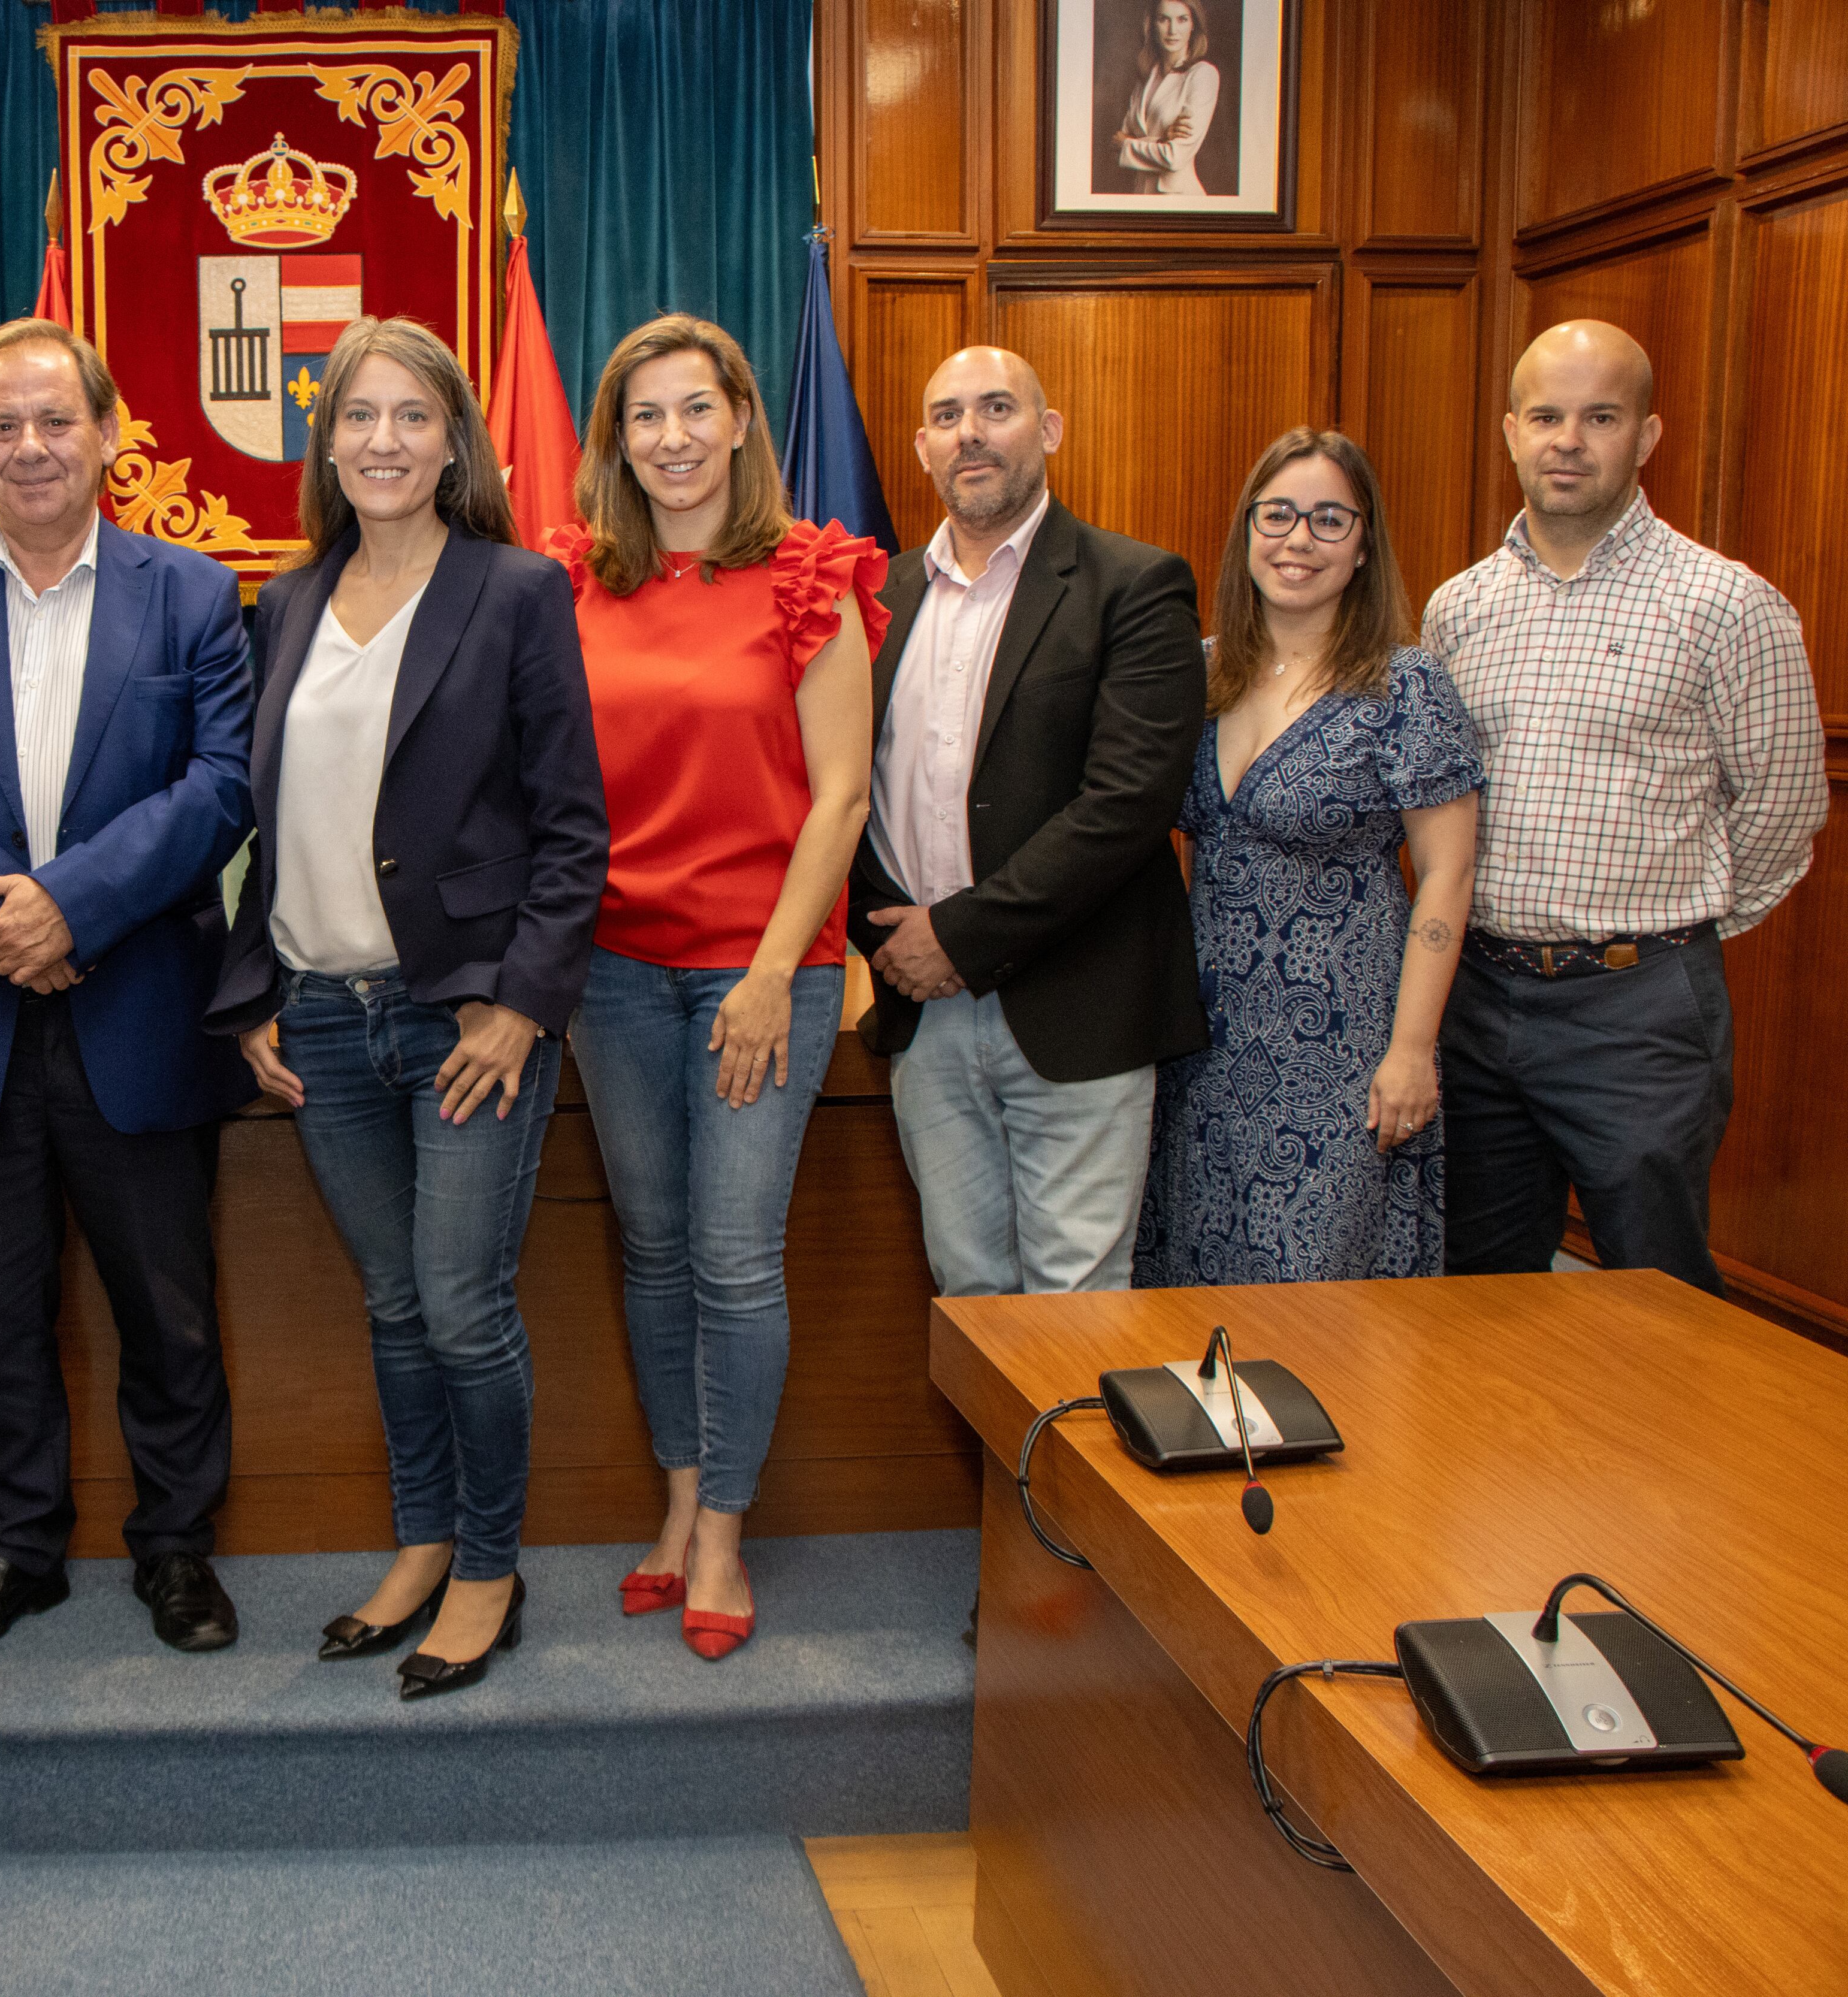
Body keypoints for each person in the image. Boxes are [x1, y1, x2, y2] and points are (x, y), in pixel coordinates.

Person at [0, 320, 255, 1658]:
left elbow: (221, 786)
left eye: (55, 421)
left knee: (168, 1308)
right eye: (3, 425)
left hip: (135, 1000)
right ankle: (17, 1549)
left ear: (109, 433)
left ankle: (176, 1547)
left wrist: (69, 904)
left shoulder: (190, 593)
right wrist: (1, 922)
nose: (30, 446)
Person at [209, 316, 605, 1699]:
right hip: (321, 1012)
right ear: (327, 441)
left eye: (411, 417)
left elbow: (572, 830)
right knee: (392, 1305)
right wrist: (252, 987)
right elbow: (260, 819)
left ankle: (490, 1563)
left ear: (454, 440)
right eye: (358, 417)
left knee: (460, 1302)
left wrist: (520, 1006)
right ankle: (423, 1537)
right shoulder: (289, 603)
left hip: (461, 1018)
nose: (383, 441)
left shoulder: (514, 593)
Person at [547, 316, 885, 1660]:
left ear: (743, 419)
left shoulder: (810, 576)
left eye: (697, 409)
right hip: (614, 973)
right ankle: (678, 1507)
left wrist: (762, 979)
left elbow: (842, 794)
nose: (673, 439)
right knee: (651, 1249)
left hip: (765, 972)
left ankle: (729, 1535)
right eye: (646, 417)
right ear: (614, 440)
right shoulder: (574, 580)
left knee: (735, 1260)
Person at [1426, 321, 1825, 1293]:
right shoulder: (1457, 609)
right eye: (1549, 416)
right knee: (1480, 1293)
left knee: (1658, 1296)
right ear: (1512, 432)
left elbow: (1784, 807)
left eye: (1600, 416)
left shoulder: (1728, 606)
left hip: (1639, 1011)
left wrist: (1672, 933)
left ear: (1646, 437)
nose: (1570, 439)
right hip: (1476, 999)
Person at [848, 346, 1206, 1297]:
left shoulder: (1135, 586)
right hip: (922, 1011)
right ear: (922, 448)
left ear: (1046, 432)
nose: (972, 432)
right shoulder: (876, 599)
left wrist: (954, 937)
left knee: (1076, 1303)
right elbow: (842, 792)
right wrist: (887, 937)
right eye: (949, 415)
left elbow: (1127, 806)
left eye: (997, 408)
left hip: (1076, 1004)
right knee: (968, 1302)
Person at [1135, 430, 1482, 1285]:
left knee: (1317, 1302)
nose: (1299, 540)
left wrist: (1412, 1050)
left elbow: (1448, 873)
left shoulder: (1406, 686)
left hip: (1343, 1052)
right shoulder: (1200, 674)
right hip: (1203, 1046)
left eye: (1330, 520)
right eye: (1279, 515)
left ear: (1365, 545)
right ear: (1247, 531)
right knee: (1190, 1286)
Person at [1113, 0, 1221, 196]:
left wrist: (1127, 144)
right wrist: (1163, 139)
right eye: (1164, 19)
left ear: (1193, 25)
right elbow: (1114, 146)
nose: (1173, 30)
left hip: (1179, 201)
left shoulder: (1202, 75)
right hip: (1139, 199)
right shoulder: (1145, 79)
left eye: (1182, 19)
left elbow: (1175, 157)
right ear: (1152, 25)